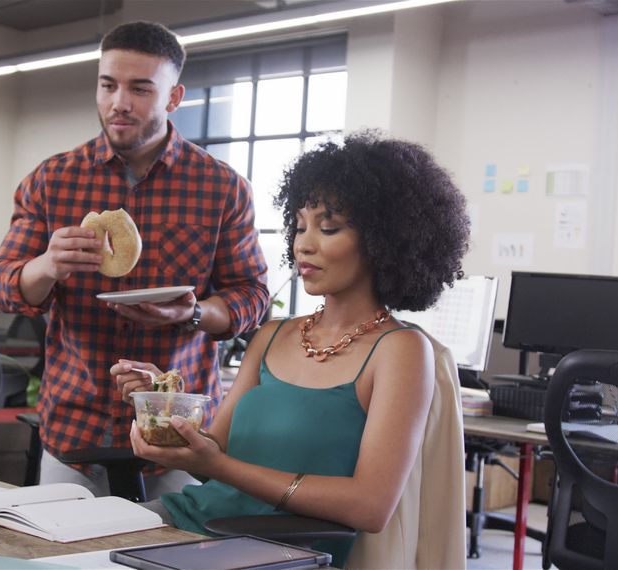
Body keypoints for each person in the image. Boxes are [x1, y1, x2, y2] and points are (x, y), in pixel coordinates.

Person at [122, 131, 470, 567]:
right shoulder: (272, 336)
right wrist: (163, 403)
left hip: (269, 554)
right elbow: (209, 456)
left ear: (385, 240)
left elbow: (371, 507)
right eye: (300, 225)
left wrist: (221, 467)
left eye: (328, 228)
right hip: (189, 521)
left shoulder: (400, 351)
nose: (303, 244)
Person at [0, 21, 270, 498]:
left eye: (140, 89)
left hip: (178, 434)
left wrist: (194, 312)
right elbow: (5, 284)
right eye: (108, 85)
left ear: (174, 97)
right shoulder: (53, 179)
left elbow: (252, 297)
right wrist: (47, 267)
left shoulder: (221, 187)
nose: (119, 102)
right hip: (73, 428)